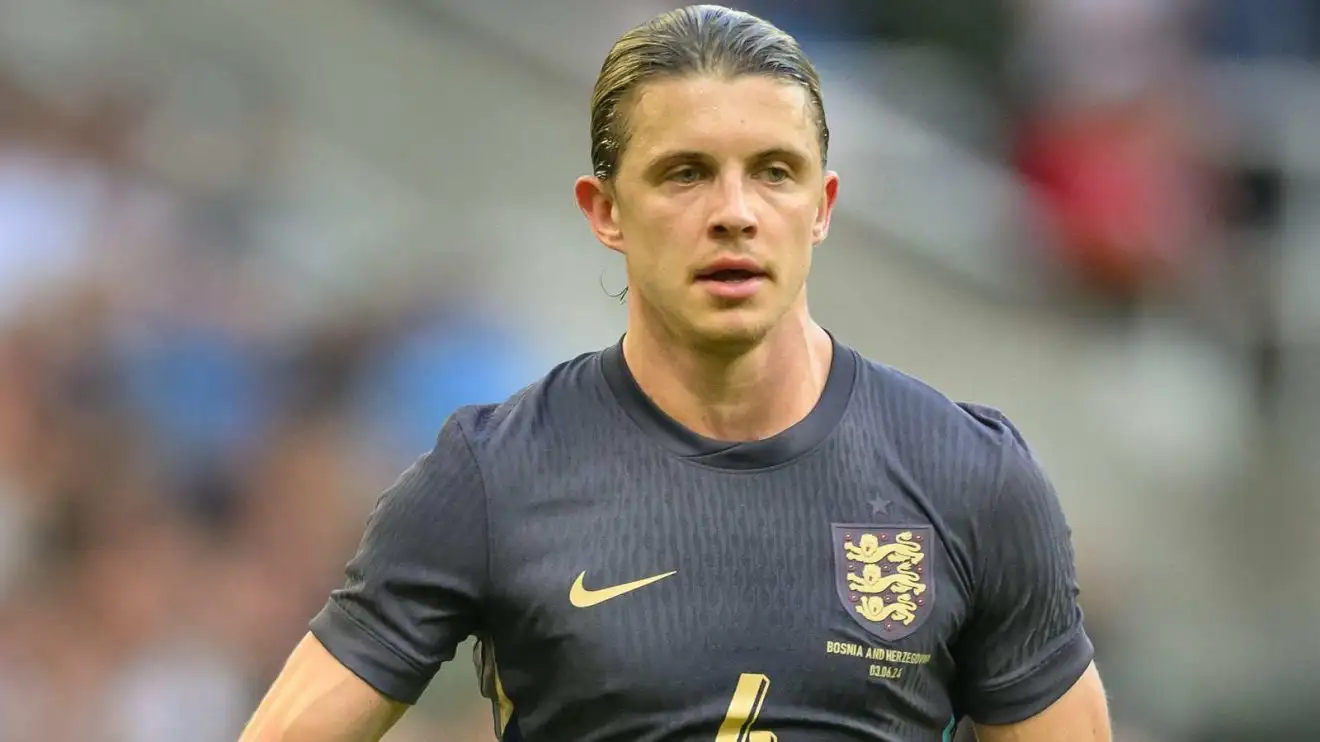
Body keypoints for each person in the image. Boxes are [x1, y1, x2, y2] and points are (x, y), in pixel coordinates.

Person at [239, 5, 1111, 741]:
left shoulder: (969, 476)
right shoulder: (493, 474)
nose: (734, 214)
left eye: (774, 173)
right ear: (606, 211)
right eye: (685, 174)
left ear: (823, 207)